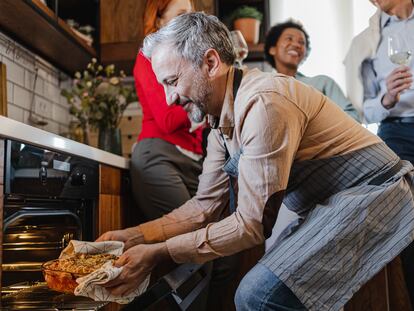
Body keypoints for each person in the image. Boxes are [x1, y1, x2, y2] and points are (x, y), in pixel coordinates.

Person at [97, 13, 414, 311]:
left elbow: (251, 226)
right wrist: (134, 236)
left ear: (210, 62)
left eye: (172, 81)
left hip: (375, 195)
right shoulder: (218, 120)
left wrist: (158, 253)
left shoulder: (264, 102)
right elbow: (204, 207)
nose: (170, 99)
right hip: (336, 202)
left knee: (257, 296)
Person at [344, 0, 414, 305]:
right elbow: (363, 109)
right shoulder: (365, 43)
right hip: (397, 131)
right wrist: (386, 97)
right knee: (406, 217)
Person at [131, 0, 204, 221]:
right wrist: (206, 107)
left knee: (210, 242)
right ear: (159, 20)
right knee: (189, 242)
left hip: (195, 161)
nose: (190, 19)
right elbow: (168, 120)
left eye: (192, 13)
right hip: (160, 155)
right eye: (182, 13)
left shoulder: (190, 60)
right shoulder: (148, 58)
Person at [265, 20, 361, 122]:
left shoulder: (323, 83)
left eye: (301, 42)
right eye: (289, 39)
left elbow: (353, 118)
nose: (297, 45)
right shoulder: (263, 89)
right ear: (272, 49)